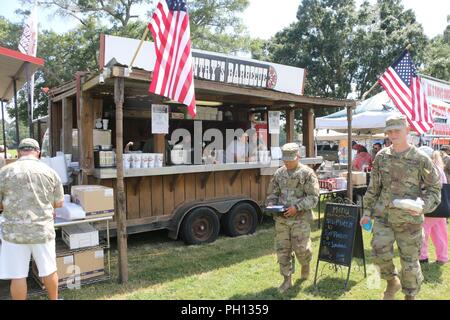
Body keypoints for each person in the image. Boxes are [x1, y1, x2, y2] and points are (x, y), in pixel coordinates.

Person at [361, 115, 441, 300]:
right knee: (379, 252)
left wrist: (422, 207)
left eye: (397, 130)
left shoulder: (421, 158)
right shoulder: (381, 157)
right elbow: (373, 187)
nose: (393, 134)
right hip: (384, 216)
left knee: (410, 264)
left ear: (408, 131)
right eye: (389, 131)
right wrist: (366, 212)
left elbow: (434, 189)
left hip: (409, 220)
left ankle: (410, 295)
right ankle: (392, 282)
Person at [0, 138, 64, 300]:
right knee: (49, 269)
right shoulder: (50, 172)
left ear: (19, 152)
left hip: (14, 233)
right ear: (38, 153)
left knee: (18, 275)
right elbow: (59, 202)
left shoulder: (5, 172)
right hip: (42, 230)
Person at [265, 143, 320, 293]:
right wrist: (270, 203)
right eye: (285, 160)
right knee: (283, 250)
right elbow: (273, 193)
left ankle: (305, 264)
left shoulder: (307, 174)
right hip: (282, 219)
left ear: (298, 157)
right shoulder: (279, 173)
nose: (287, 163)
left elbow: (314, 197)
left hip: (300, 219)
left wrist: (297, 207)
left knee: (301, 249)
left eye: (290, 160)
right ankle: (287, 279)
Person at [418, 147, 448, 265]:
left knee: (423, 232)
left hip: (430, 205)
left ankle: (422, 256)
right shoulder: (439, 168)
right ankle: (443, 257)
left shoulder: (428, 169)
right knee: (440, 233)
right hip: (441, 206)